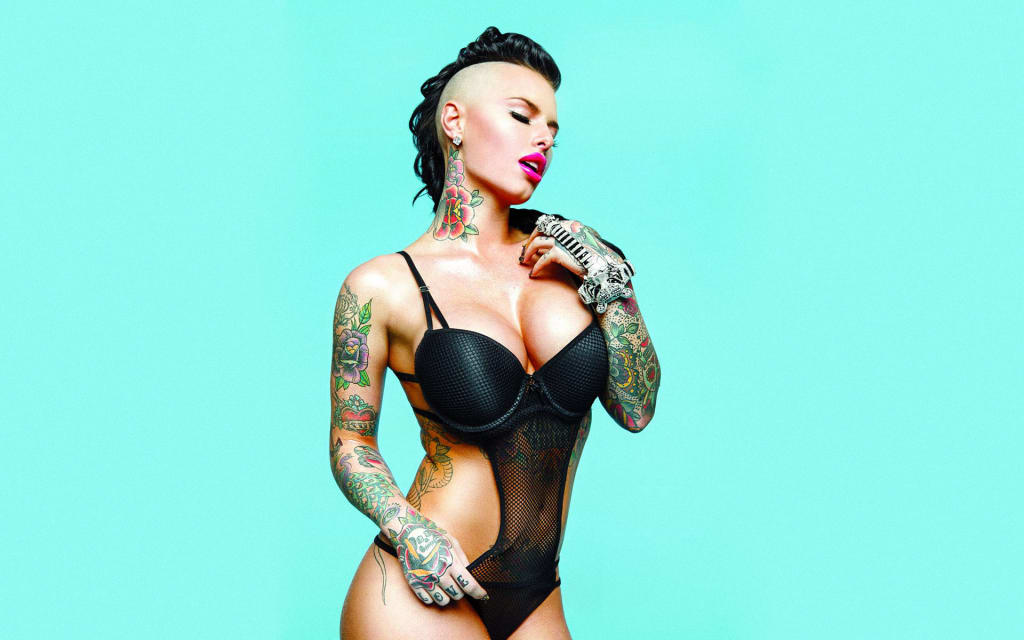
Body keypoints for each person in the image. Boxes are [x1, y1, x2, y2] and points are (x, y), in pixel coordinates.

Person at [331, 27, 661, 639]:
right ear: (454, 121)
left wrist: (612, 285)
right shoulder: (381, 286)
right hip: (420, 584)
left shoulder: (578, 256)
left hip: (537, 593)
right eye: (522, 116)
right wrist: (408, 531)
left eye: (553, 129)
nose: (544, 138)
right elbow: (351, 444)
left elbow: (636, 410)